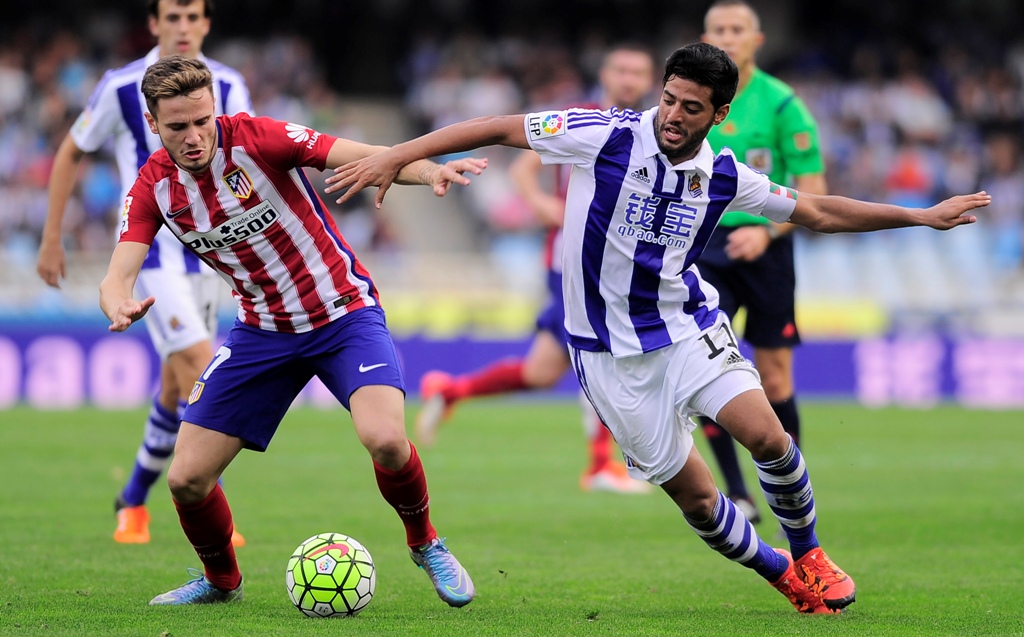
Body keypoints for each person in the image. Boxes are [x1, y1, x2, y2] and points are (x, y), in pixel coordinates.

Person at [326, 42, 988, 614]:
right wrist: (395, 157)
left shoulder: (724, 174)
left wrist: (920, 216)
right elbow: (499, 127)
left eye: (691, 107)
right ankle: (780, 571)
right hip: (610, 359)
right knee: (700, 503)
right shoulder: (607, 134)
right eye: (669, 99)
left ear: (718, 115)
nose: (674, 115)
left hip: (686, 328)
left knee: (770, 436)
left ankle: (812, 553)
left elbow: (816, 209)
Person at [101, 55, 485, 607]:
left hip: (343, 314)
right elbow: (118, 275)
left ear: (215, 110)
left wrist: (429, 171)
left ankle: (426, 543)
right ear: (153, 124)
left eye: (202, 120)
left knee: (387, 441)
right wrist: (118, 303)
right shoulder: (153, 187)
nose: (193, 136)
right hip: (262, 333)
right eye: (178, 126)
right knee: (186, 479)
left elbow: (366, 158)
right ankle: (220, 582)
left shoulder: (261, 139)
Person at [36, 0, 252, 546]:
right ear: (154, 24)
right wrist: (51, 236)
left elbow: (244, 159)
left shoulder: (228, 84)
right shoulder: (121, 85)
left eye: (192, 16)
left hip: (208, 252)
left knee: (177, 387)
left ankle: (132, 498)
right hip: (151, 251)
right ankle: (216, 521)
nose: (182, 27)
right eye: (171, 17)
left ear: (206, 23)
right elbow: (71, 151)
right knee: (204, 369)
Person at [416, 44, 655, 494]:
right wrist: (541, 202)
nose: (628, 78)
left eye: (637, 71)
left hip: (613, 260)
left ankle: (449, 390)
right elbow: (525, 167)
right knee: (606, 351)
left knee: (542, 372)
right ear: (604, 74)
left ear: (649, 81)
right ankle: (601, 465)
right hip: (572, 258)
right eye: (620, 69)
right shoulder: (580, 118)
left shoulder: (653, 128)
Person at [694, 0, 829, 524]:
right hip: (702, 250)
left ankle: (790, 486)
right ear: (705, 37)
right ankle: (737, 492)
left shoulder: (781, 105)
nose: (728, 37)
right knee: (707, 370)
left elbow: (814, 190)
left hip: (768, 253)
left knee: (773, 380)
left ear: (757, 40)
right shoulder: (692, 100)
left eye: (737, 30)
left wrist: (768, 231)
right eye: (718, 29)